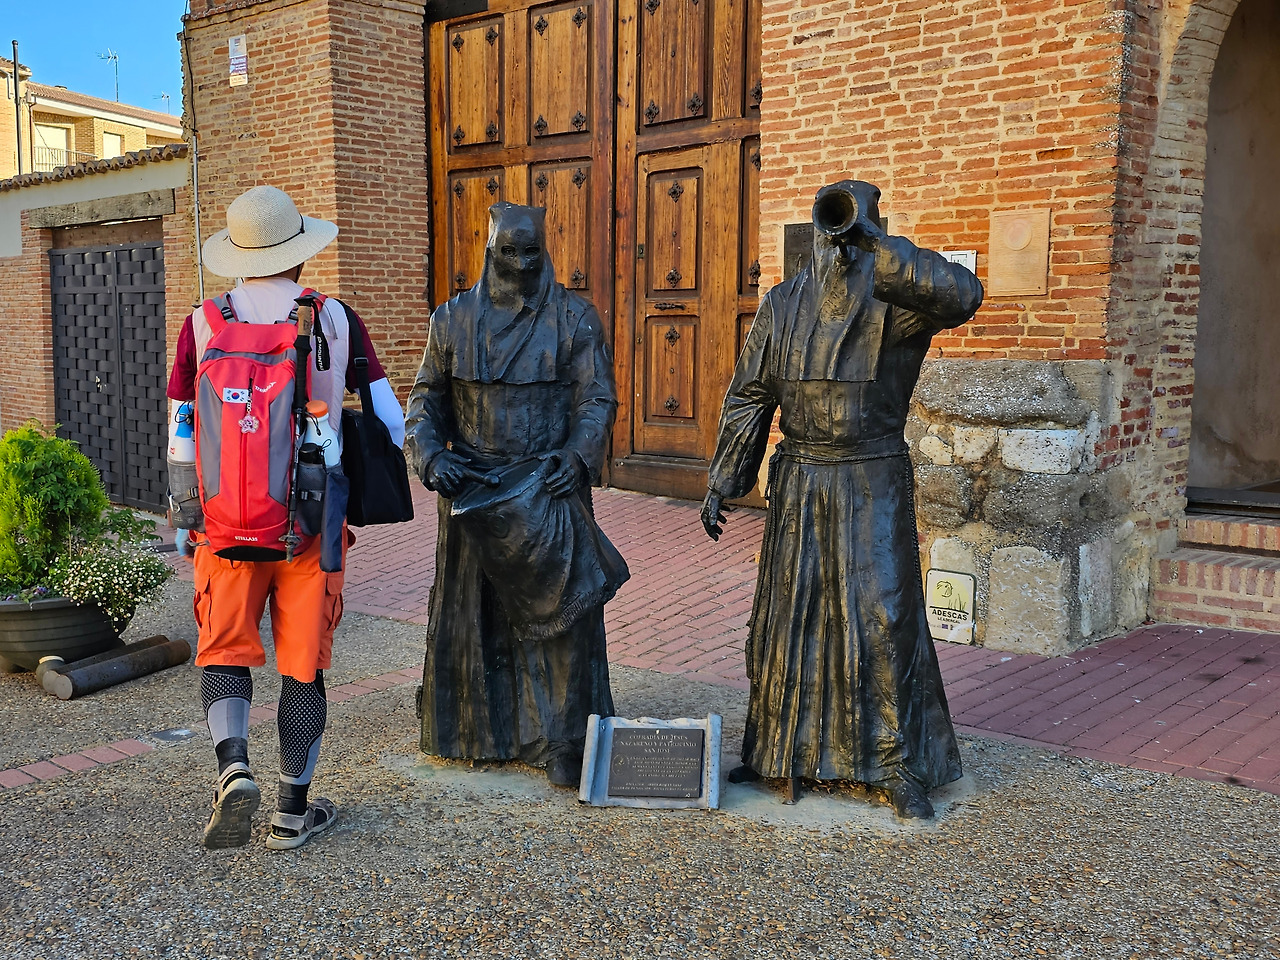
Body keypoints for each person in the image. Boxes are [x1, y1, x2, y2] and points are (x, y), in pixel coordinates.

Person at [700, 179, 983, 818]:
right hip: (801, 478)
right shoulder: (781, 304)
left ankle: (898, 764)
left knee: (884, 614)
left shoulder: (898, 301)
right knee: (791, 614)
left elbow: (964, 295)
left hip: (870, 476)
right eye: (836, 229)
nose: (842, 243)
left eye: (857, 229)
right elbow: (751, 394)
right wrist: (725, 477)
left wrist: (880, 244)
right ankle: (780, 752)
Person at [166, 185, 405, 849]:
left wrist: (188, 516)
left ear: (239, 257)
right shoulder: (336, 319)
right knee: (302, 666)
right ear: (299, 254)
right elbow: (390, 420)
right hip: (312, 526)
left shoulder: (202, 323)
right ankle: (292, 813)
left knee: (224, 650)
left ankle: (233, 769)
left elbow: (181, 428)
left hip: (224, 525)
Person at [405, 202, 627, 787]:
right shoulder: (451, 320)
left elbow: (597, 399)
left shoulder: (576, 318)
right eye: (511, 253)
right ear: (490, 251)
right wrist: (431, 457)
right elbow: (424, 403)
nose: (524, 264)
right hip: (475, 493)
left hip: (546, 486)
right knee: (474, 616)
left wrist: (576, 456)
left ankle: (562, 739)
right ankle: (474, 731)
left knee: (561, 624)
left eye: (533, 253)